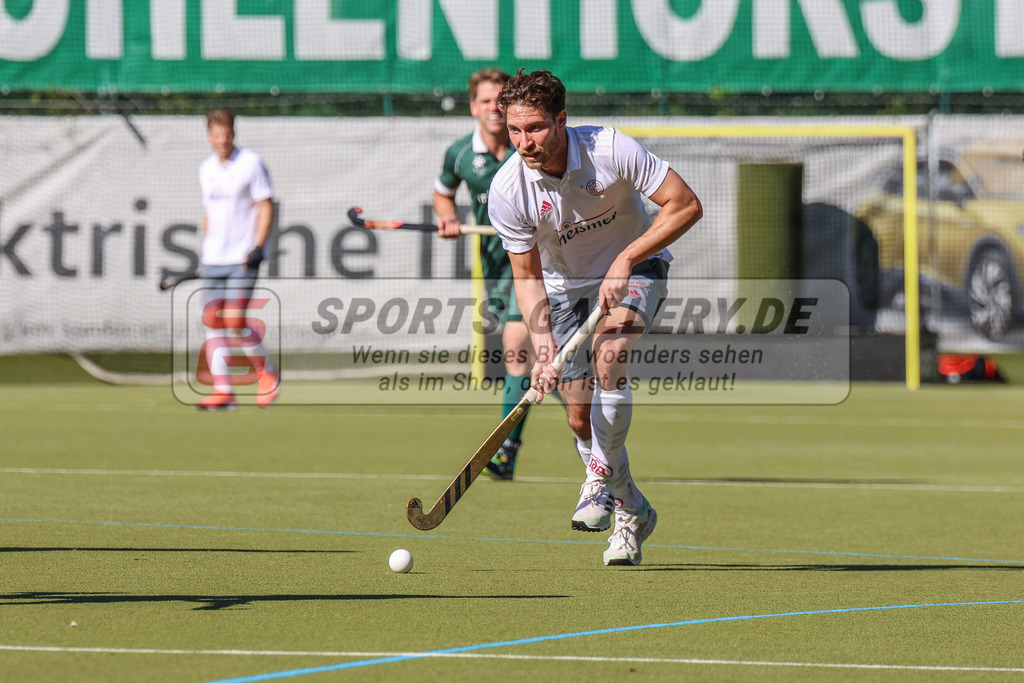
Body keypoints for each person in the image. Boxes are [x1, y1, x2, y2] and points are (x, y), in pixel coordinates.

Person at [488, 69, 703, 566]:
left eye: (535, 128)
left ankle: (598, 479)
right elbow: (527, 276)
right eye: (515, 130)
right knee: (578, 414)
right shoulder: (508, 189)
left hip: (637, 266)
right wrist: (546, 352)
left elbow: (685, 205)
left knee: (610, 353)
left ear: (562, 120)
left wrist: (626, 258)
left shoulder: (608, 148)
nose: (524, 142)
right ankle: (632, 511)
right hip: (564, 289)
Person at [433, 67, 534, 480]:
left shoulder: (528, 142)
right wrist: (447, 218)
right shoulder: (460, 154)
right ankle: (591, 429)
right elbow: (443, 193)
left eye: (500, 100)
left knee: (515, 345)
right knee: (544, 364)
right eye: (486, 101)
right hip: (495, 265)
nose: (494, 108)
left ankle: (505, 450)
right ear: (473, 107)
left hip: (536, 262)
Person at [196, 107, 280, 410]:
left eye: (228, 134)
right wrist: (206, 251)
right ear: (209, 136)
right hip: (213, 260)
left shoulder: (251, 163)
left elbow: (266, 205)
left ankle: (267, 373)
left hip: (243, 258)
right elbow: (210, 215)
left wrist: (258, 247)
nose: (223, 140)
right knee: (212, 321)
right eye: (218, 135)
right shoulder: (206, 169)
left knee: (234, 320)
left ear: (234, 134)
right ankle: (223, 391)